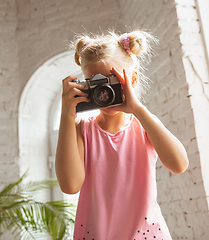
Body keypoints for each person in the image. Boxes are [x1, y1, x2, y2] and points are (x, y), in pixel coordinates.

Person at [55, 30, 189, 240]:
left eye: (111, 81)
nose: (103, 92)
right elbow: (70, 186)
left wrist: (139, 110)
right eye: (96, 84)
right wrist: (66, 115)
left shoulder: (144, 124)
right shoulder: (81, 129)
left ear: (132, 79)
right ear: (85, 87)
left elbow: (179, 165)